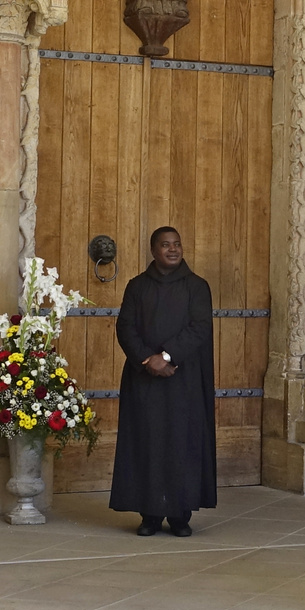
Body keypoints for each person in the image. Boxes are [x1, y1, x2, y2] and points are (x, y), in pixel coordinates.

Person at [109, 227, 216, 536]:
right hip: (145, 380)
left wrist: (166, 356)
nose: (173, 249)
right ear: (153, 251)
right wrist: (147, 360)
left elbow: (200, 327)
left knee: (183, 443)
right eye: (165, 245)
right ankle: (150, 515)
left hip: (184, 379)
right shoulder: (136, 287)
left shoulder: (197, 287)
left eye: (177, 244)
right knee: (147, 442)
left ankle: (181, 515)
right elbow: (125, 327)